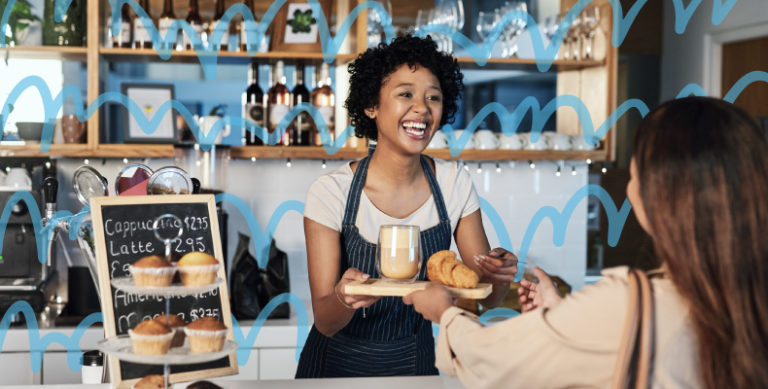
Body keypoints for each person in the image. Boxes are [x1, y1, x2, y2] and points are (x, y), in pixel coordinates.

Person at [404, 97, 768, 388]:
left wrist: (445, 313)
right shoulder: (747, 298)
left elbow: (494, 360)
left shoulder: (629, 302)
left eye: (637, 167)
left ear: (661, 194)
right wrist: (563, 316)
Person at [296, 35, 518, 378]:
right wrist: (344, 297)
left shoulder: (453, 182)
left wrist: (499, 276)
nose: (422, 108)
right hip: (334, 370)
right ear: (371, 105)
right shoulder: (331, 193)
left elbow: (484, 297)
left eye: (433, 97)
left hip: (414, 366)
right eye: (405, 94)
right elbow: (325, 321)